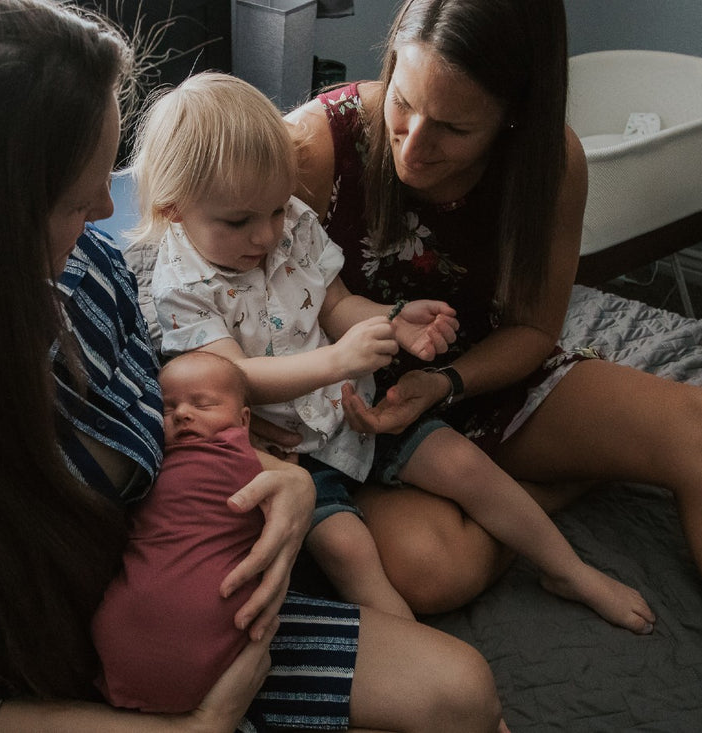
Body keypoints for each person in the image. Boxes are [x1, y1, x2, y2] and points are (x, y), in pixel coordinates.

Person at [0, 0, 509, 730]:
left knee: (464, 694)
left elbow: (185, 434)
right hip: (67, 694)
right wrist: (200, 725)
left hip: (191, 601)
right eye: (79, 204)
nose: (107, 218)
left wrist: (283, 483)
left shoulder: (86, 273)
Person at [285, 0, 702, 722]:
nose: (415, 145)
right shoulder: (316, 145)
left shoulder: (551, 163)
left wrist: (446, 379)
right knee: (430, 568)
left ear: (515, 115)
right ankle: (545, 494)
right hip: (351, 417)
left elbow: (535, 329)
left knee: (701, 423)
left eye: (453, 128)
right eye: (405, 102)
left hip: (475, 374)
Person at [132, 71, 654, 634]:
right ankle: (430, 666)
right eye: (240, 222)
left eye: (277, 210)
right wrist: (337, 361)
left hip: (358, 408)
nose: (265, 236)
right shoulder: (180, 287)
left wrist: (389, 321)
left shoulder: (289, 226)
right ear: (174, 211)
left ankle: (568, 569)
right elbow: (233, 377)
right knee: (349, 549)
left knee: (464, 465)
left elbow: (336, 304)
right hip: (293, 454)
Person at [91, 351, 264, 713]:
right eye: (168, 410)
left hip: (206, 631)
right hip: (133, 625)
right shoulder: (155, 458)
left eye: (203, 404)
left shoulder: (238, 457)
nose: (183, 413)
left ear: (243, 420)